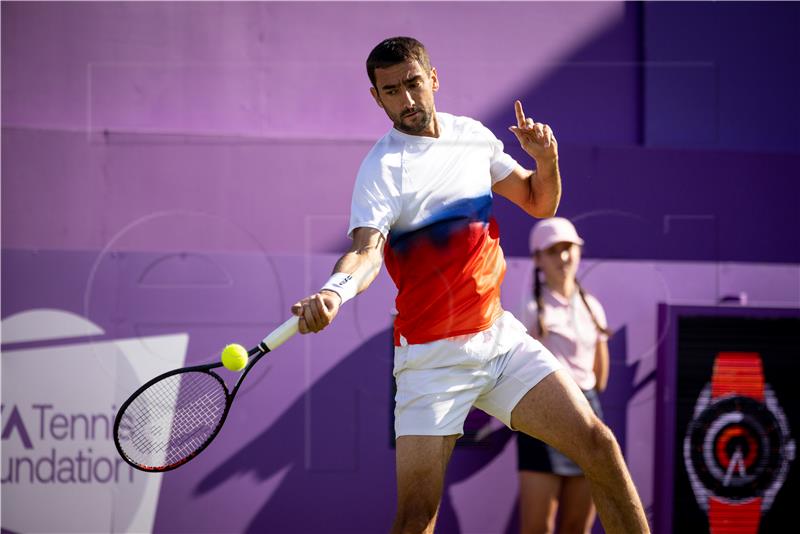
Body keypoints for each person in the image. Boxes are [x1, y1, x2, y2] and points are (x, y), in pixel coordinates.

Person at [291, 37, 649, 534]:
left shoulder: (473, 137)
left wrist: (546, 161)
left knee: (600, 445)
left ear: (433, 79)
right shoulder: (379, 170)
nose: (407, 100)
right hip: (431, 361)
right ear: (377, 98)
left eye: (414, 83)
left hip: (499, 340)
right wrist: (335, 290)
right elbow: (366, 250)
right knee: (418, 516)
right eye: (391, 91)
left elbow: (537, 201)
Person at [517, 217, 611, 534]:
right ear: (538, 258)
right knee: (537, 528)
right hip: (540, 419)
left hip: (588, 418)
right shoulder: (530, 308)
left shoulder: (594, 308)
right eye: (553, 251)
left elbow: (599, 378)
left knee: (576, 528)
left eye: (568, 248)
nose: (564, 258)